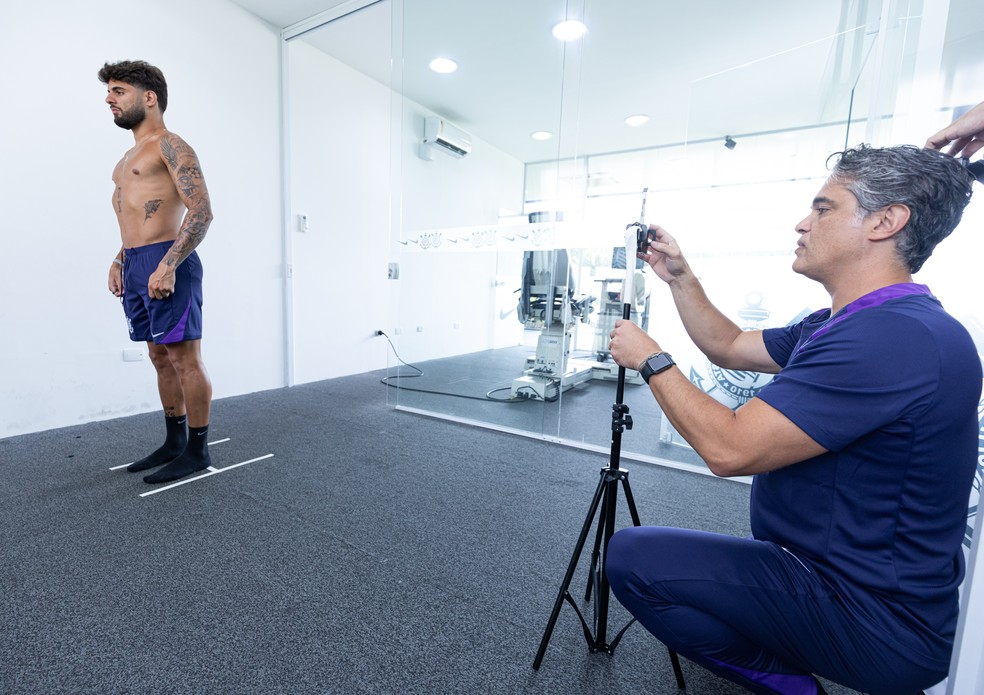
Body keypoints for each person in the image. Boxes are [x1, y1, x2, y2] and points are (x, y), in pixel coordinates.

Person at [605, 145, 978, 695]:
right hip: (820, 570)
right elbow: (729, 345)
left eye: (823, 209)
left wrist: (651, 359)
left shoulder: (895, 337)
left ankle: (796, 689)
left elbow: (728, 450)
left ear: (886, 221)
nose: (802, 223)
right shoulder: (841, 322)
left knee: (636, 559)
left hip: (876, 619)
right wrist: (679, 276)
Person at [100, 60, 214, 485]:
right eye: (109, 92)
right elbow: (133, 219)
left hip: (170, 260)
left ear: (149, 98)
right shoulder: (126, 158)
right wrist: (119, 260)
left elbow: (201, 212)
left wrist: (169, 265)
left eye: (118, 91)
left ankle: (198, 450)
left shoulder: (171, 146)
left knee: (185, 359)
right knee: (158, 357)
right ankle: (173, 441)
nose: (109, 99)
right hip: (135, 264)